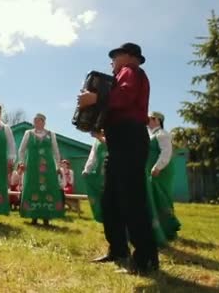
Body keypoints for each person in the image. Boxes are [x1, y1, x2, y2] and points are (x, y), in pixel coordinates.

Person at [78, 42, 158, 274]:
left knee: (132, 200)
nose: (112, 63)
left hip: (130, 139)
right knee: (110, 200)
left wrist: (93, 99)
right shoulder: (124, 73)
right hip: (120, 141)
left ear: (129, 57)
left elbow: (123, 97)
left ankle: (146, 260)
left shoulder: (131, 71)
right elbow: (118, 106)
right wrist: (99, 125)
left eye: (115, 57)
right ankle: (118, 250)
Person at [18, 113, 64, 226]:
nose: (38, 122)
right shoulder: (28, 133)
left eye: (40, 121)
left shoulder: (51, 134)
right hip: (32, 166)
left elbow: (56, 151)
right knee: (32, 187)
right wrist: (22, 162)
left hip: (48, 167)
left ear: (44, 122)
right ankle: (33, 216)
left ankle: (46, 217)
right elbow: (21, 150)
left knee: (48, 189)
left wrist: (58, 166)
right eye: (36, 120)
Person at [146, 111, 181, 247]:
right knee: (155, 199)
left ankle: (170, 231)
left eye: (150, 119)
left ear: (157, 120)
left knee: (163, 199)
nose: (147, 121)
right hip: (153, 172)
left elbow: (166, 152)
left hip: (161, 172)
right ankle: (158, 230)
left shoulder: (162, 134)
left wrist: (157, 167)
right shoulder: (152, 136)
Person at [82, 131, 108, 223]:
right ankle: (104, 217)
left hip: (113, 170)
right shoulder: (96, 142)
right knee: (101, 195)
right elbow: (92, 156)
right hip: (100, 172)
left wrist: (99, 137)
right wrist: (87, 169)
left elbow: (113, 146)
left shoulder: (113, 134)